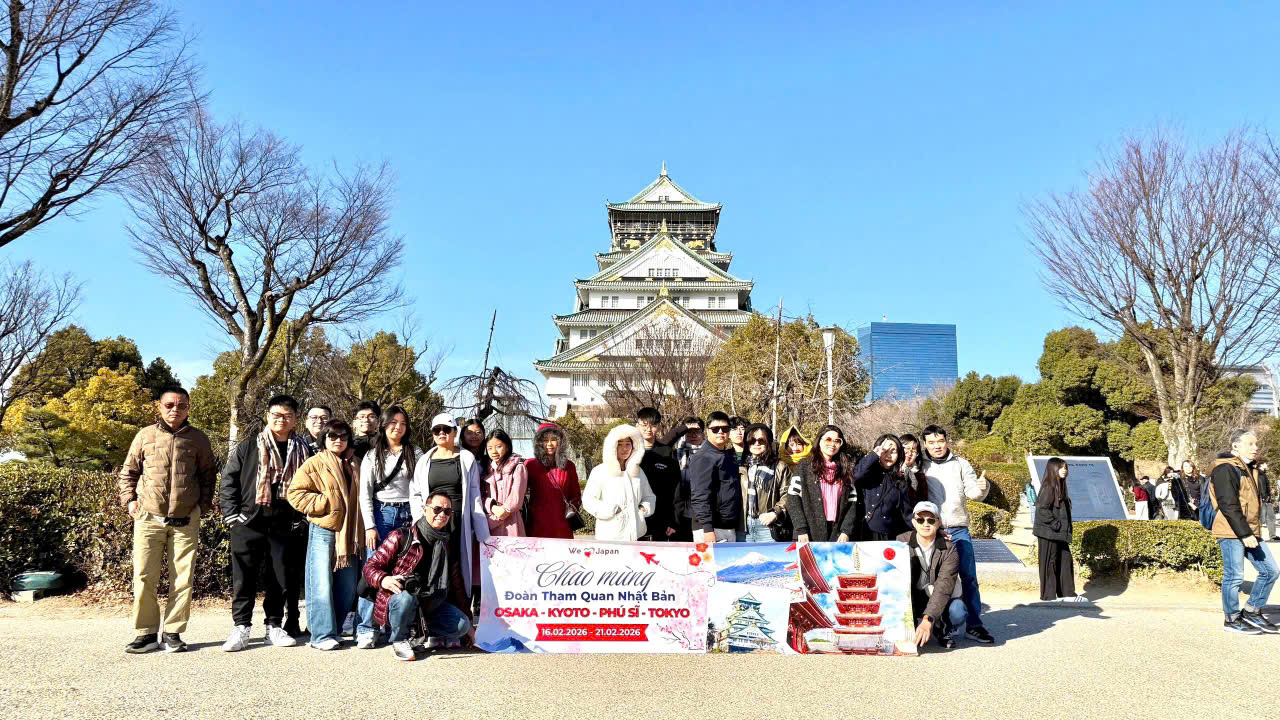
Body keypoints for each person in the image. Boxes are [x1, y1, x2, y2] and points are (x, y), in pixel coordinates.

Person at [117, 385, 217, 654]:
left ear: (188, 408)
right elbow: (129, 472)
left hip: (186, 519)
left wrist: (202, 507)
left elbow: (208, 476)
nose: (175, 410)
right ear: (159, 407)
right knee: (143, 576)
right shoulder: (145, 435)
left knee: (183, 578)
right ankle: (146, 633)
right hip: (149, 516)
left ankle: (173, 632)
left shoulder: (198, 439)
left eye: (181, 405)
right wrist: (130, 500)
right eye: (169, 405)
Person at [220, 394, 309, 651]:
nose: (281, 420)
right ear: (268, 416)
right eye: (276, 415)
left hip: (284, 521)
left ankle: (274, 625)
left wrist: (301, 517)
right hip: (249, 519)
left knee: (279, 577)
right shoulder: (249, 446)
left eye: (287, 416)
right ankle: (241, 627)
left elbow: (311, 484)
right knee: (243, 576)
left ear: (295, 419)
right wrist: (233, 516)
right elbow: (229, 481)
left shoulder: (303, 449)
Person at [409, 413, 490, 644]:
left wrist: (482, 533)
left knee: (457, 575)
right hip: (432, 524)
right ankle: (434, 629)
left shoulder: (466, 458)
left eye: (447, 429)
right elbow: (416, 493)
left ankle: (457, 631)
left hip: (457, 524)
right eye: (437, 430)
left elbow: (474, 495)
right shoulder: (425, 460)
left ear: (455, 432)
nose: (442, 433)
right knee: (433, 573)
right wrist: (421, 522)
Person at [362, 491, 471, 661]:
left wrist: (470, 628)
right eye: (437, 509)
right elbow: (370, 566)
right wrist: (383, 579)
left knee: (462, 625)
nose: (442, 514)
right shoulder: (402, 536)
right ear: (425, 509)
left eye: (447, 511)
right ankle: (399, 640)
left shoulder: (447, 543)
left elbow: (457, 586)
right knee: (406, 599)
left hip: (429, 603)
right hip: (398, 601)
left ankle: (424, 635)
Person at [287, 419, 365, 650]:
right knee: (320, 582)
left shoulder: (356, 463)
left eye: (343, 436)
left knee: (347, 586)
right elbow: (295, 493)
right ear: (324, 439)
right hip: (324, 528)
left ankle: (335, 629)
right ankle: (321, 635)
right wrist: (326, 503)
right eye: (332, 436)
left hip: (350, 533)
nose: (338, 440)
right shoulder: (315, 462)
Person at [921, 424, 994, 645]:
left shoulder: (961, 463)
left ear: (947, 441)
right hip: (932, 530)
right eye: (931, 442)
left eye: (940, 441)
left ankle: (974, 624)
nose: (937, 446)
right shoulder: (920, 465)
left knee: (969, 578)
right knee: (933, 580)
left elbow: (973, 493)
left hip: (958, 528)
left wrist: (983, 487)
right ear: (925, 444)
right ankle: (939, 625)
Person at [354, 405, 418, 649]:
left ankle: (394, 625)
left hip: (408, 514)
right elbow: (365, 493)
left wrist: (417, 520)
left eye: (403, 423)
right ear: (383, 425)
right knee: (373, 570)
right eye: (393, 422)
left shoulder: (415, 452)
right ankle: (367, 627)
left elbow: (419, 488)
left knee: (403, 569)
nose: (398, 427)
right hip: (383, 514)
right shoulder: (373, 455)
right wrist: (370, 526)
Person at [1210, 429, 1279, 634]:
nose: (1256, 447)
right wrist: (1245, 534)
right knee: (1234, 577)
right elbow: (1228, 504)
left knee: (1270, 571)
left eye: (1256, 444)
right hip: (1232, 531)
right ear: (1235, 446)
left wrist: (1251, 532)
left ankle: (1251, 611)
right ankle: (1231, 619)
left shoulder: (1249, 469)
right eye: (1250, 444)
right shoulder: (1225, 468)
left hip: (1250, 530)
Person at [899, 501, 965, 650]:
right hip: (913, 595)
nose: (925, 524)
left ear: (938, 523)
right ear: (913, 522)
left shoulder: (949, 549)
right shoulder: (901, 542)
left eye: (931, 520)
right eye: (920, 520)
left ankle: (943, 629)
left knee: (958, 611)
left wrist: (928, 619)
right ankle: (914, 626)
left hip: (937, 593)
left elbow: (944, 586)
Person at [583, 425, 655, 541]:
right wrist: (611, 510)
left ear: (634, 446)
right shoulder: (600, 471)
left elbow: (649, 496)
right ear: (612, 446)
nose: (624, 448)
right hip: (610, 535)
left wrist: (643, 509)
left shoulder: (638, 472)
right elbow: (588, 500)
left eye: (628, 444)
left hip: (636, 534)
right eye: (619, 444)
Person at [786, 424, 857, 543]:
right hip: (808, 533)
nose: (832, 444)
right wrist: (801, 529)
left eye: (837, 441)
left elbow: (852, 503)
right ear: (819, 441)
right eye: (828, 439)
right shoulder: (805, 466)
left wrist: (846, 531)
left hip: (837, 534)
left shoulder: (846, 470)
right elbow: (793, 498)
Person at [686, 411, 742, 544]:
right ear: (707, 431)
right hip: (711, 528)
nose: (720, 432)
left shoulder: (726, 455)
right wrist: (707, 528)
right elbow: (700, 495)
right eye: (715, 429)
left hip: (727, 525)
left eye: (725, 428)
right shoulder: (703, 457)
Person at [1033, 457, 1079, 602]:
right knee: (1049, 563)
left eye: (1066, 468)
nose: (1064, 470)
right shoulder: (1049, 487)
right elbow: (1042, 510)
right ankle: (1048, 596)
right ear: (1053, 469)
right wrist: (1056, 524)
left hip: (1059, 534)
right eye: (1061, 468)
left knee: (1065, 561)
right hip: (1048, 532)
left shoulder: (1061, 487)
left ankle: (1067, 593)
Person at [855, 434, 916, 541]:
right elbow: (855, 475)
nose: (888, 455)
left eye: (893, 451)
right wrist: (874, 454)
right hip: (861, 534)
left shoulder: (900, 482)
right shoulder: (865, 473)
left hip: (886, 537)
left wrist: (930, 529)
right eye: (885, 451)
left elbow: (907, 514)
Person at [739, 423, 792, 542]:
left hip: (768, 526)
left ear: (768, 442)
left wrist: (775, 513)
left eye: (761, 440)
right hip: (742, 527)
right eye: (752, 440)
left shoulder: (780, 466)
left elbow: (789, 494)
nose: (756, 443)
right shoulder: (740, 466)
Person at [636, 407, 681, 541]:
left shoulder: (666, 452)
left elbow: (676, 489)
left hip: (661, 518)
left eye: (653, 425)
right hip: (635, 517)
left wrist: (674, 521)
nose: (648, 429)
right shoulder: (630, 451)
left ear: (658, 426)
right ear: (637, 425)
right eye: (644, 425)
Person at [665, 416, 706, 541]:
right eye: (688, 431)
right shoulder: (673, 455)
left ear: (703, 433)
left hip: (702, 515)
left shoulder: (710, 455)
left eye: (696, 431)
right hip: (679, 515)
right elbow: (662, 445)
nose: (692, 435)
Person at [482, 428, 527, 537]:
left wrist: (501, 513)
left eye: (498, 446)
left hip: (511, 523)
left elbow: (516, 499)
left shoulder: (517, 467)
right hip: (490, 521)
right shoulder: (486, 470)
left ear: (507, 446)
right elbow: (481, 495)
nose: (494, 451)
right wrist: (492, 506)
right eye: (490, 448)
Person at [1259, 462, 1277, 542]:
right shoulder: (1260, 474)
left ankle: (1273, 535)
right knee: (1263, 518)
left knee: (1270, 517)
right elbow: (1262, 485)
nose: (1267, 465)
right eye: (1265, 464)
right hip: (1264, 499)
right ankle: (1256, 535)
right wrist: (1265, 497)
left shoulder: (1262, 473)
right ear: (1261, 465)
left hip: (1265, 498)